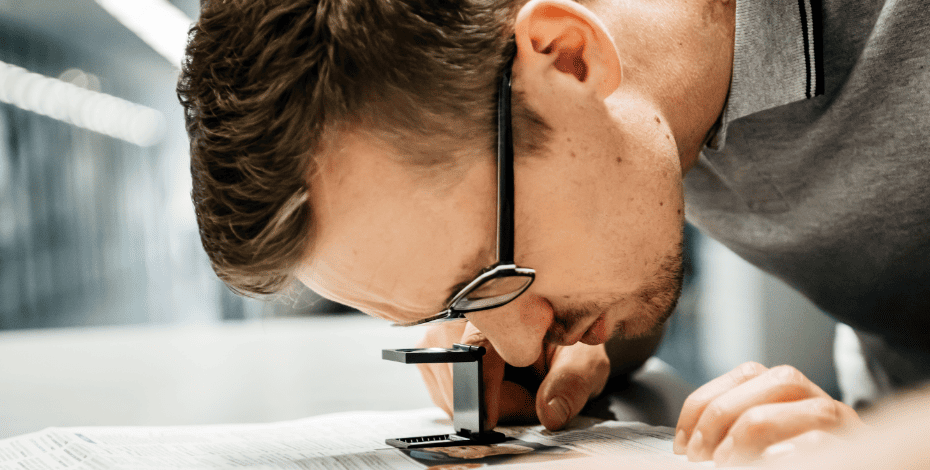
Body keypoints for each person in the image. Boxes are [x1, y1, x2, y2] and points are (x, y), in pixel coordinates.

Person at [177, 0, 928, 466]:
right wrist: (581, 354)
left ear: (568, 57)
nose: (512, 344)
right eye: (456, 312)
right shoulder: (635, 109)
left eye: (485, 277)